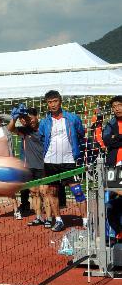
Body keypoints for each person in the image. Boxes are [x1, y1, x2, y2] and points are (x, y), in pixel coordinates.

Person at [38, 90, 85, 232]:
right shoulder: (45, 122)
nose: (52, 105)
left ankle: (85, 220)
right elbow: (42, 138)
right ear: (47, 104)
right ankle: (58, 220)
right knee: (52, 192)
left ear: (60, 101)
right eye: (49, 102)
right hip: (50, 162)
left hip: (69, 161)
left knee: (77, 191)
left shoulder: (72, 118)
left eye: (55, 101)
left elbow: (81, 134)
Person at [9, 106, 47, 225]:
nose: (29, 120)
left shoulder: (44, 128)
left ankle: (50, 218)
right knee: (34, 193)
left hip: (43, 165)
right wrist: (14, 119)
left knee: (45, 193)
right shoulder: (25, 130)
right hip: (29, 167)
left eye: (31, 118)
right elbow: (10, 128)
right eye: (26, 118)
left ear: (37, 116)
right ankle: (38, 217)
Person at [102, 96, 122, 167]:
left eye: (119, 105)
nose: (117, 109)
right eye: (114, 107)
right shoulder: (110, 123)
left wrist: (116, 136)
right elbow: (107, 141)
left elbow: (112, 140)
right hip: (114, 163)